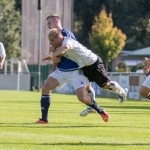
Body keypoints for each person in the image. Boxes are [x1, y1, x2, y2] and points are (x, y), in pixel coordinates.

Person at [46, 28, 128, 104]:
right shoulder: (60, 45)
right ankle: (91, 107)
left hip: (93, 63)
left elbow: (66, 47)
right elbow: (60, 55)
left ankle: (122, 92)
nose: (50, 43)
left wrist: (53, 54)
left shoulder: (67, 41)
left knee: (105, 86)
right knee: (86, 87)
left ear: (59, 38)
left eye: (52, 40)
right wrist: (54, 53)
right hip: (84, 66)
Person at [44, 14, 96, 120]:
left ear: (57, 21)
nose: (48, 26)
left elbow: (64, 52)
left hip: (74, 69)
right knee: (45, 88)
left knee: (88, 88)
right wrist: (53, 65)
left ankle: (94, 107)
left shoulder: (67, 34)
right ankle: (43, 119)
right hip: (62, 70)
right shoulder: (54, 36)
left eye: (49, 23)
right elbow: (57, 57)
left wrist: (53, 54)